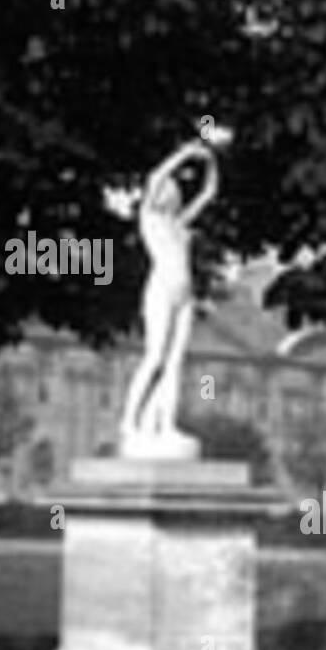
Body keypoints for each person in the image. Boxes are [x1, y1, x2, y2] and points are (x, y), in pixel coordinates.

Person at [119, 139, 219, 449]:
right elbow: (154, 178)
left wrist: (211, 162)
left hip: (184, 295)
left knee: (175, 363)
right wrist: (186, 154)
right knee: (155, 357)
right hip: (161, 289)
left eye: (175, 190)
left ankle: (165, 425)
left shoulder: (178, 224)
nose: (170, 191)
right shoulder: (150, 218)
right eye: (168, 188)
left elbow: (208, 194)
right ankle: (129, 421)